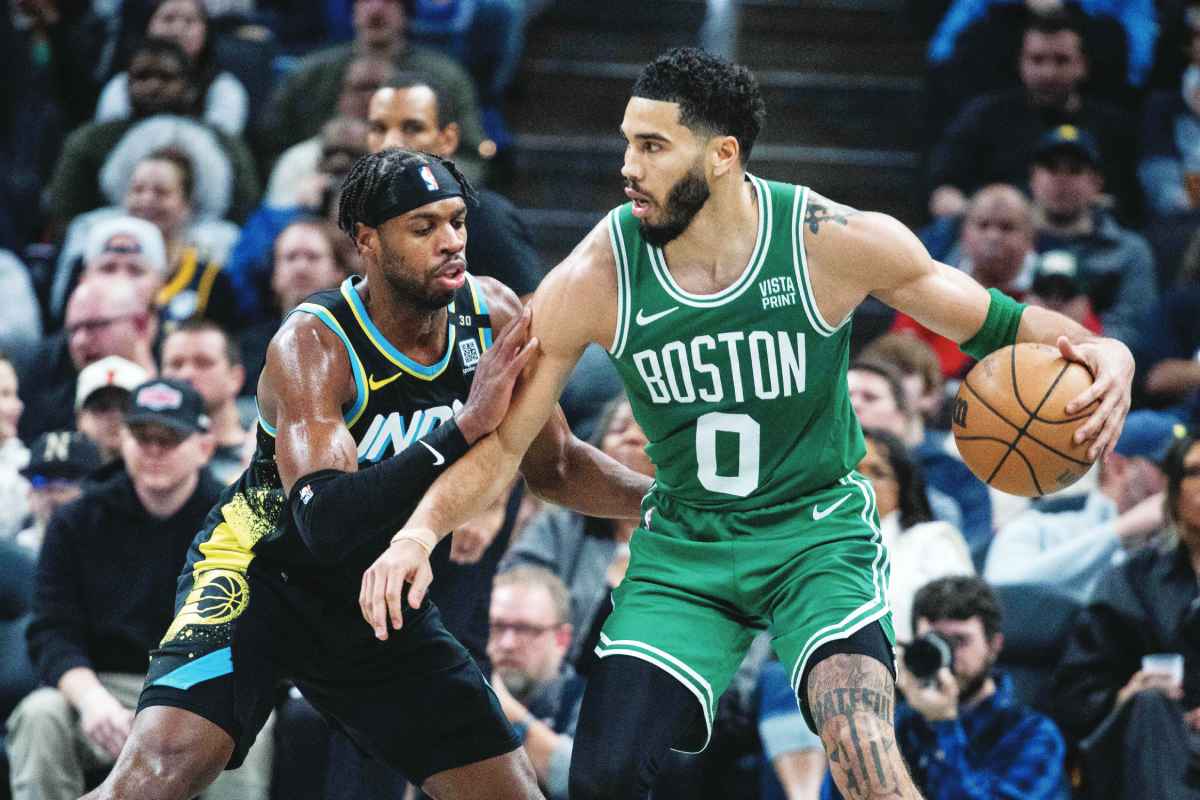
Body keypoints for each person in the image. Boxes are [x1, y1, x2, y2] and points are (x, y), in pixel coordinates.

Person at [385, 47, 1134, 800]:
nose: (628, 166)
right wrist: (420, 532)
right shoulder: (598, 274)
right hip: (687, 544)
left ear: (722, 155)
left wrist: (1111, 354)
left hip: (814, 533)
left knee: (861, 745)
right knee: (602, 777)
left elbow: (997, 323)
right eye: (626, 141)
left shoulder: (826, 241)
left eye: (651, 146)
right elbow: (508, 443)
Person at [82, 147, 653, 800]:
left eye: (457, 222)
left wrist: (662, 500)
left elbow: (555, 467)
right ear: (368, 242)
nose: (451, 243)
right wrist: (462, 429)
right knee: (154, 779)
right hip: (257, 569)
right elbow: (324, 521)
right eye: (424, 227)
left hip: (373, 595)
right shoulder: (314, 344)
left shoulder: (488, 317)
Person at [5, 378, 273, 800]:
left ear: (203, 445)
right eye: (142, 436)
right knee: (39, 715)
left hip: (201, 684)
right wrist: (92, 700)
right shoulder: (75, 520)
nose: (153, 450)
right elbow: (53, 631)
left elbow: (249, 632)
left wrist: (180, 706)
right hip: (103, 684)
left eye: (169, 438)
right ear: (123, 441)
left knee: (247, 721)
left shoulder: (236, 521)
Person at [1049, 431, 1200, 799]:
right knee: (1149, 705)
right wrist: (1122, 696)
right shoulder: (1133, 581)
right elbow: (1076, 692)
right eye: (1196, 472)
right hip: (1157, 749)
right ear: (1174, 494)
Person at [826, 576, 1067, 799]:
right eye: (934, 641)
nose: (947, 655)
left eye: (959, 641)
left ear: (994, 646)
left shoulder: (1033, 734)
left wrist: (945, 725)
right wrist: (872, 705)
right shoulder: (900, 725)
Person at [927, 11, 1137, 222]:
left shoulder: (1114, 127)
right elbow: (944, 194)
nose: (1048, 73)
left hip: (1088, 242)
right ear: (1021, 62)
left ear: (1082, 65)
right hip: (998, 237)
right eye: (1037, 60)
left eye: (1061, 60)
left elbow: (1128, 205)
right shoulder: (984, 116)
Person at [500, 394, 654, 657]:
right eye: (618, 428)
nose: (631, 437)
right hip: (553, 682)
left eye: (648, 431)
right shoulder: (559, 526)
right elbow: (516, 591)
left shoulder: (696, 538)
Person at [366, 74, 544, 296]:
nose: (390, 143)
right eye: (379, 128)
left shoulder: (486, 218)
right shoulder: (357, 214)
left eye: (412, 128)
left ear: (447, 139)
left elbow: (529, 315)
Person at [262, 0, 488, 168]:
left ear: (406, 13)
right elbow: (272, 146)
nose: (376, 9)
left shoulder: (445, 77)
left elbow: (470, 156)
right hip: (317, 188)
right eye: (365, 0)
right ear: (352, 11)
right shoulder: (309, 75)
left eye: (389, 2)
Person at [1030, 124, 1158, 345]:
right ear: (1033, 178)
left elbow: (1138, 332)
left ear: (1097, 183)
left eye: (1075, 169)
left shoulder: (1130, 250)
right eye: (1051, 168)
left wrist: (1079, 335)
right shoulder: (1004, 235)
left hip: (1097, 368)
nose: (1062, 179)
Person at [487, 566, 586, 800]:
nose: (508, 643)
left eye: (525, 629)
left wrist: (510, 715)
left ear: (562, 639)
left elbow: (592, 786)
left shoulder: (592, 703)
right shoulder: (464, 695)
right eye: (497, 627)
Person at [18, 277, 157, 442]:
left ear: (140, 324)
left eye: (95, 326)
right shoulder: (46, 406)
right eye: (73, 330)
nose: (80, 341)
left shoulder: (178, 365)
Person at [94, 0, 250, 135]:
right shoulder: (121, 84)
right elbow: (108, 134)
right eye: (168, 19)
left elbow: (222, 143)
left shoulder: (223, 88)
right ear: (149, 25)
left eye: (189, 21)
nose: (177, 29)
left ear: (206, 30)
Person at [160, 320, 249, 484]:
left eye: (203, 362)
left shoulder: (265, 453)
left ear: (235, 378)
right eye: (175, 364)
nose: (186, 374)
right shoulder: (148, 457)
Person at [12, 431, 102, 554]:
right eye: (41, 480)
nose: (52, 493)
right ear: (30, 493)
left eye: (67, 480)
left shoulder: (113, 545)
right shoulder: (19, 550)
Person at [75, 355, 152, 464]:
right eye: (102, 407)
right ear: (79, 418)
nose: (115, 416)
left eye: (126, 407)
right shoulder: (64, 476)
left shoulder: (163, 479)